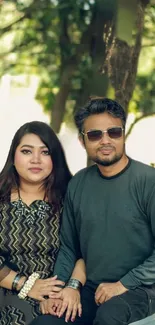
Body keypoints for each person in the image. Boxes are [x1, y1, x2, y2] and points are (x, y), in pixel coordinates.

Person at [32, 98, 155, 325]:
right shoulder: (78, 183)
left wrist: (123, 284)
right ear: (82, 141)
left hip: (142, 289)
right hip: (91, 288)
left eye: (114, 132)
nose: (105, 140)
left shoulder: (148, 181)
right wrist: (58, 292)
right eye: (95, 135)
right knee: (47, 321)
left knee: (109, 316)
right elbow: (69, 247)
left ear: (123, 135)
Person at [0, 121, 85, 325]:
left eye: (45, 152)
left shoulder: (70, 199)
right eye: (27, 151)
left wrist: (68, 289)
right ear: (13, 156)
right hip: (6, 289)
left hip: (58, 294)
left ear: (55, 158)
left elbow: (85, 251)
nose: (36, 160)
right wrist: (26, 285)